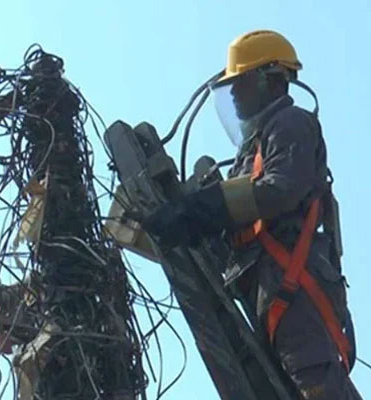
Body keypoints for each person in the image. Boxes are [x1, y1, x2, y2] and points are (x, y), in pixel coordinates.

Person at [141, 30, 361, 399]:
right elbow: (240, 208)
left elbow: (280, 189)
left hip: (293, 284)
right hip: (268, 284)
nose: (236, 98)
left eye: (240, 85)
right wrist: (196, 219)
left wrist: (203, 208)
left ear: (271, 81)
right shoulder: (254, 147)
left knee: (315, 384)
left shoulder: (291, 123)